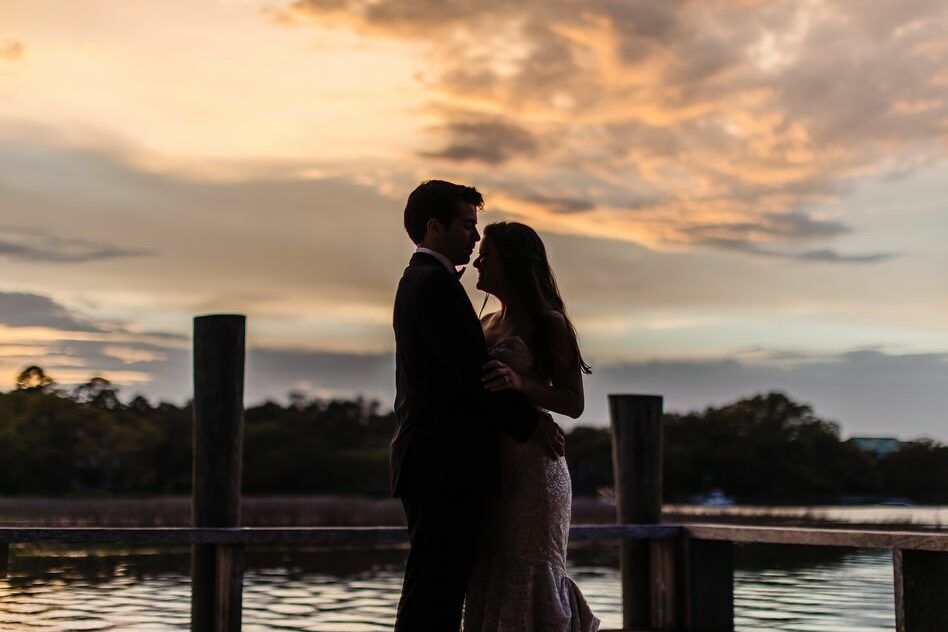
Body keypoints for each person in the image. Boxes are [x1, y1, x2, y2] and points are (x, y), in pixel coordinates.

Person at [391, 181, 566, 631]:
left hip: (447, 462)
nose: (474, 236)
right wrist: (529, 423)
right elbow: (471, 375)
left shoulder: (426, 281)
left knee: (441, 587)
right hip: (443, 462)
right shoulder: (432, 285)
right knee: (435, 590)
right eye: (468, 225)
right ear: (435, 226)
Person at [463, 221, 600, 631]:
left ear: (514, 262)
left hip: (534, 471)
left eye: (487, 253)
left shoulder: (548, 323)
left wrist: (521, 383)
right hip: (493, 466)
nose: (477, 260)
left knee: (529, 565)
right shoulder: (484, 322)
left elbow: (573, 403)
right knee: (493, 564)